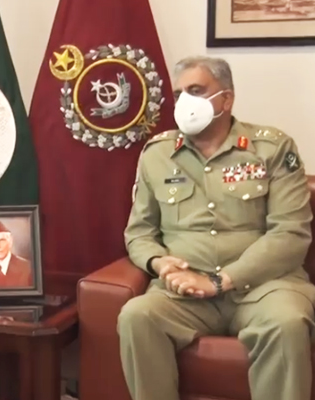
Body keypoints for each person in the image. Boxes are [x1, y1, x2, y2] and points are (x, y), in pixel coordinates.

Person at [118, 55, 315, 400]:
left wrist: (219, 281)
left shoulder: (271, 147)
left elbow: (291, 233)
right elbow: (140, 233)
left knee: (286, 323)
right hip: (185, 293)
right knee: (138, 315)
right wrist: (159, 263)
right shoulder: (157, 153)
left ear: (226, 98)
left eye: (196, 90)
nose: (184, 102)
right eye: (179, 94)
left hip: (265, 288)